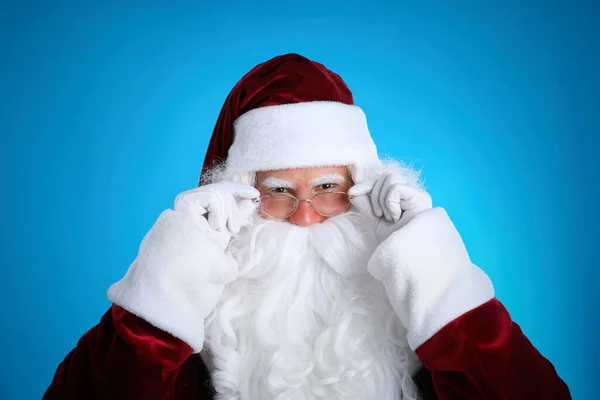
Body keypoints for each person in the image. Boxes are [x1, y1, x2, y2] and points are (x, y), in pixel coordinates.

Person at [43, 53, 571, 400]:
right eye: (277, 191)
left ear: (362, 187)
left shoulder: (414, 317)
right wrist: (172, 273)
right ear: (241, 194)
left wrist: (437, 272)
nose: (304, 216)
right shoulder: (204, 325)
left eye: (326, 187)